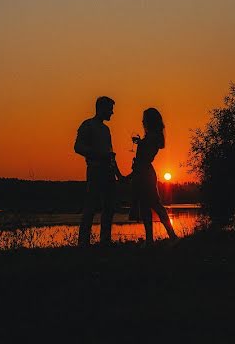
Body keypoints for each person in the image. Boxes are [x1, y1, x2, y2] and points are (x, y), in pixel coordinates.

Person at [75, 96, 123, 246]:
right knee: (90, 207)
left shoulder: (106, 129)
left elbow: (110, 154)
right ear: (101, 109)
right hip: (95, 171)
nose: (112, 113)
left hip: (108, 172)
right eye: (110, 109)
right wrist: (96, 153)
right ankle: (83, 243)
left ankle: (105, 241)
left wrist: (119, 174)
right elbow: (78, 147)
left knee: (109, 208)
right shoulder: (87, 125)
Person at [127, 107, 178, 243]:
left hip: (144, 173)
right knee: (146, 206)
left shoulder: (151, 138)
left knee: (154, 205)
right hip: (144, 172)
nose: (142, 121)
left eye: (144, 119)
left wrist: (141, 146)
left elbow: (144, 157)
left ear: (149, 121)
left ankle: (171, 236)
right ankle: (152, 239)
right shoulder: (152, 137)